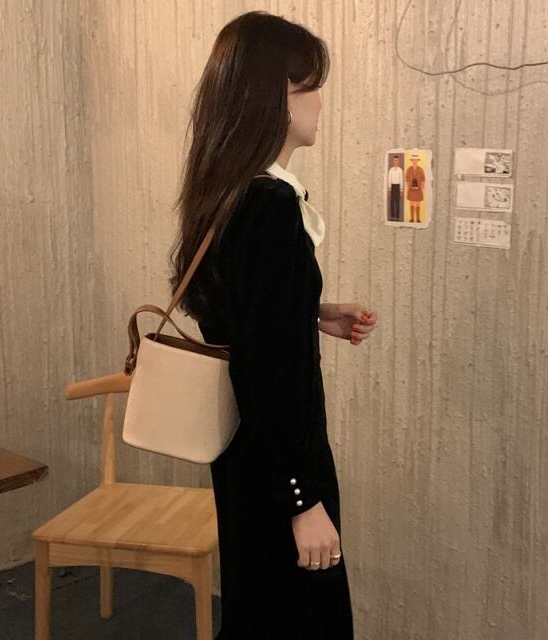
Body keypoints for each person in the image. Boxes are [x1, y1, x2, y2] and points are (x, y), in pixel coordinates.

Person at [167, 10, 378, 639]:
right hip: (281, 467)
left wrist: (311, 311)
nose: (321, 102)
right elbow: (269, 376)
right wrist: (302, 501)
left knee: (258, 609)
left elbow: (233, 316)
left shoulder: (229, 191)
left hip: (244, 453)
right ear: (275, 98)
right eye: (310, 87)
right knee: (299, 619)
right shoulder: (271, 204)